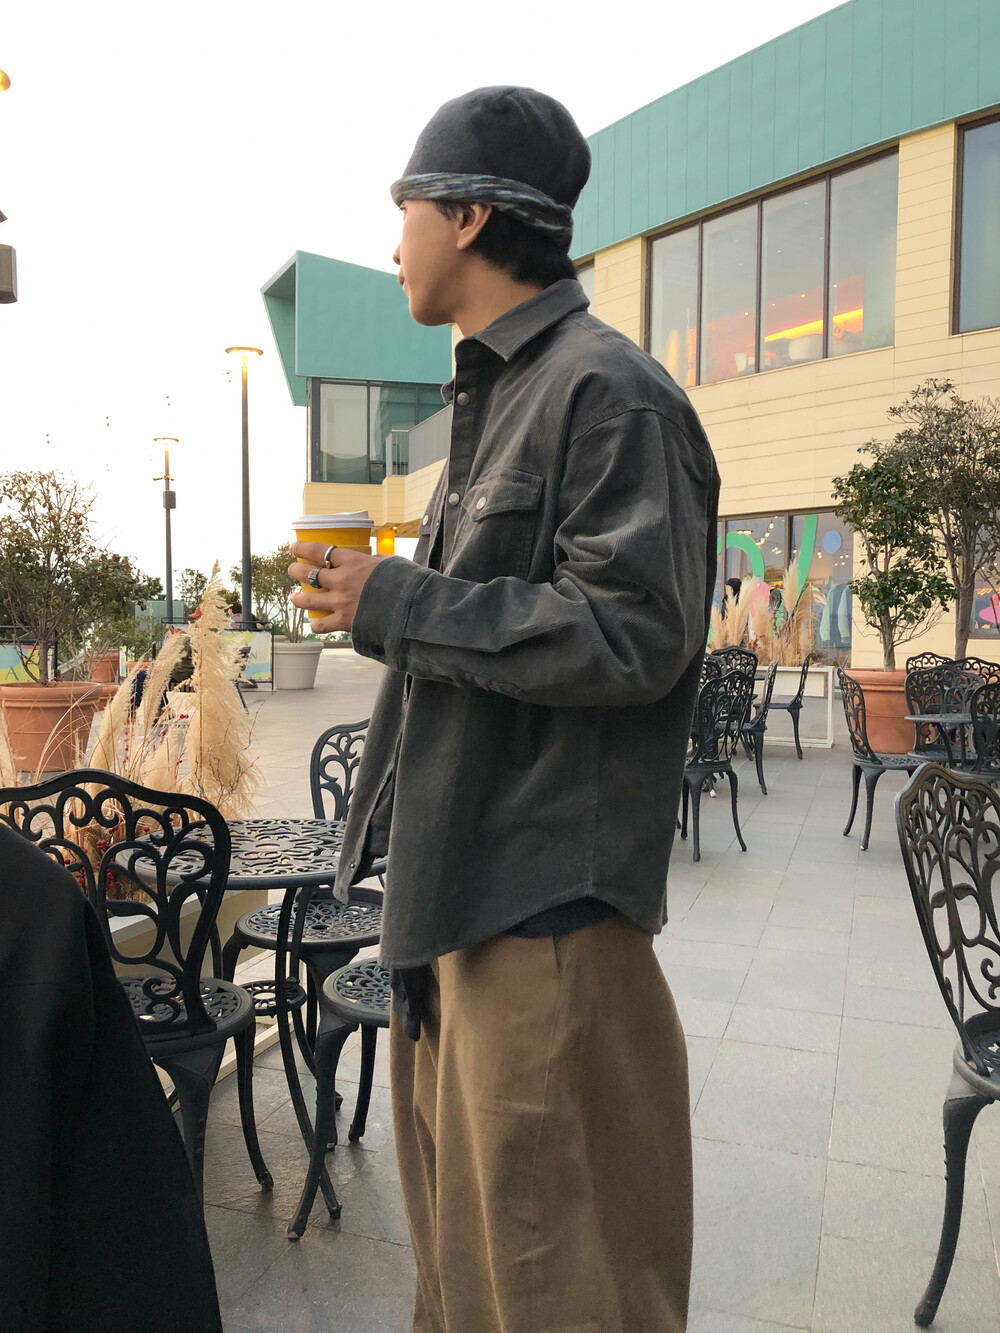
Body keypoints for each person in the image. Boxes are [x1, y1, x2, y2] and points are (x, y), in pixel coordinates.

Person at [289, 85, 719, 1333]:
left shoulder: (609, 393)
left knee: (566, 1301)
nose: (394, 243)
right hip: (451, 920)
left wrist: (399, 600)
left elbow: (634, 635)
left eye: (406, 209)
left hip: (543, 933)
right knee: (471, 1298)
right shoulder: (496, 403)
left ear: (470, 214)